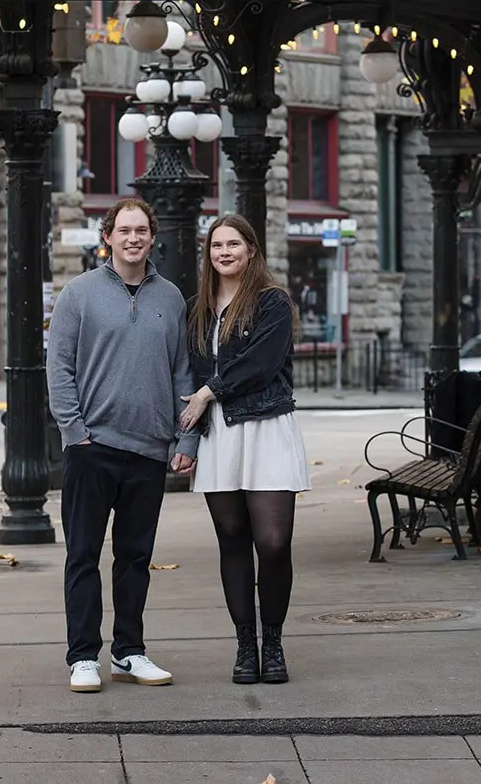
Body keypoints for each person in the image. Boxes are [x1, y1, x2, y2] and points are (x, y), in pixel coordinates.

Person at [46, 197, 199, 694]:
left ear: (152, 237)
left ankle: (129, 652)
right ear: (107, 237)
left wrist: (186, 437)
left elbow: (183, 373)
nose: (133, 238)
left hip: (149, 450)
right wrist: (76, 434)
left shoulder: (172, 297)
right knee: (83, 555)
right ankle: (83, 656)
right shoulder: (78, 294)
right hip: (93, 449)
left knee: (135, 557)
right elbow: (59, 368)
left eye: (141, 230)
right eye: (124, 230)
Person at [179, 215, 309, 685]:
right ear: (208, 253)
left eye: (234, 243)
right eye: (217, 245)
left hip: (267, 427)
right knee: (232, 540)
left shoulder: (271, 302)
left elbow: (261, 363)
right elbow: (186, 380)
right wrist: (187, 438)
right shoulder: (198, 308)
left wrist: (210, 391)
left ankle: (273, 642)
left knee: (273, 543)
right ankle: (246, 646)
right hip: (220, 437)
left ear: (251, 250)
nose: (225, 252)